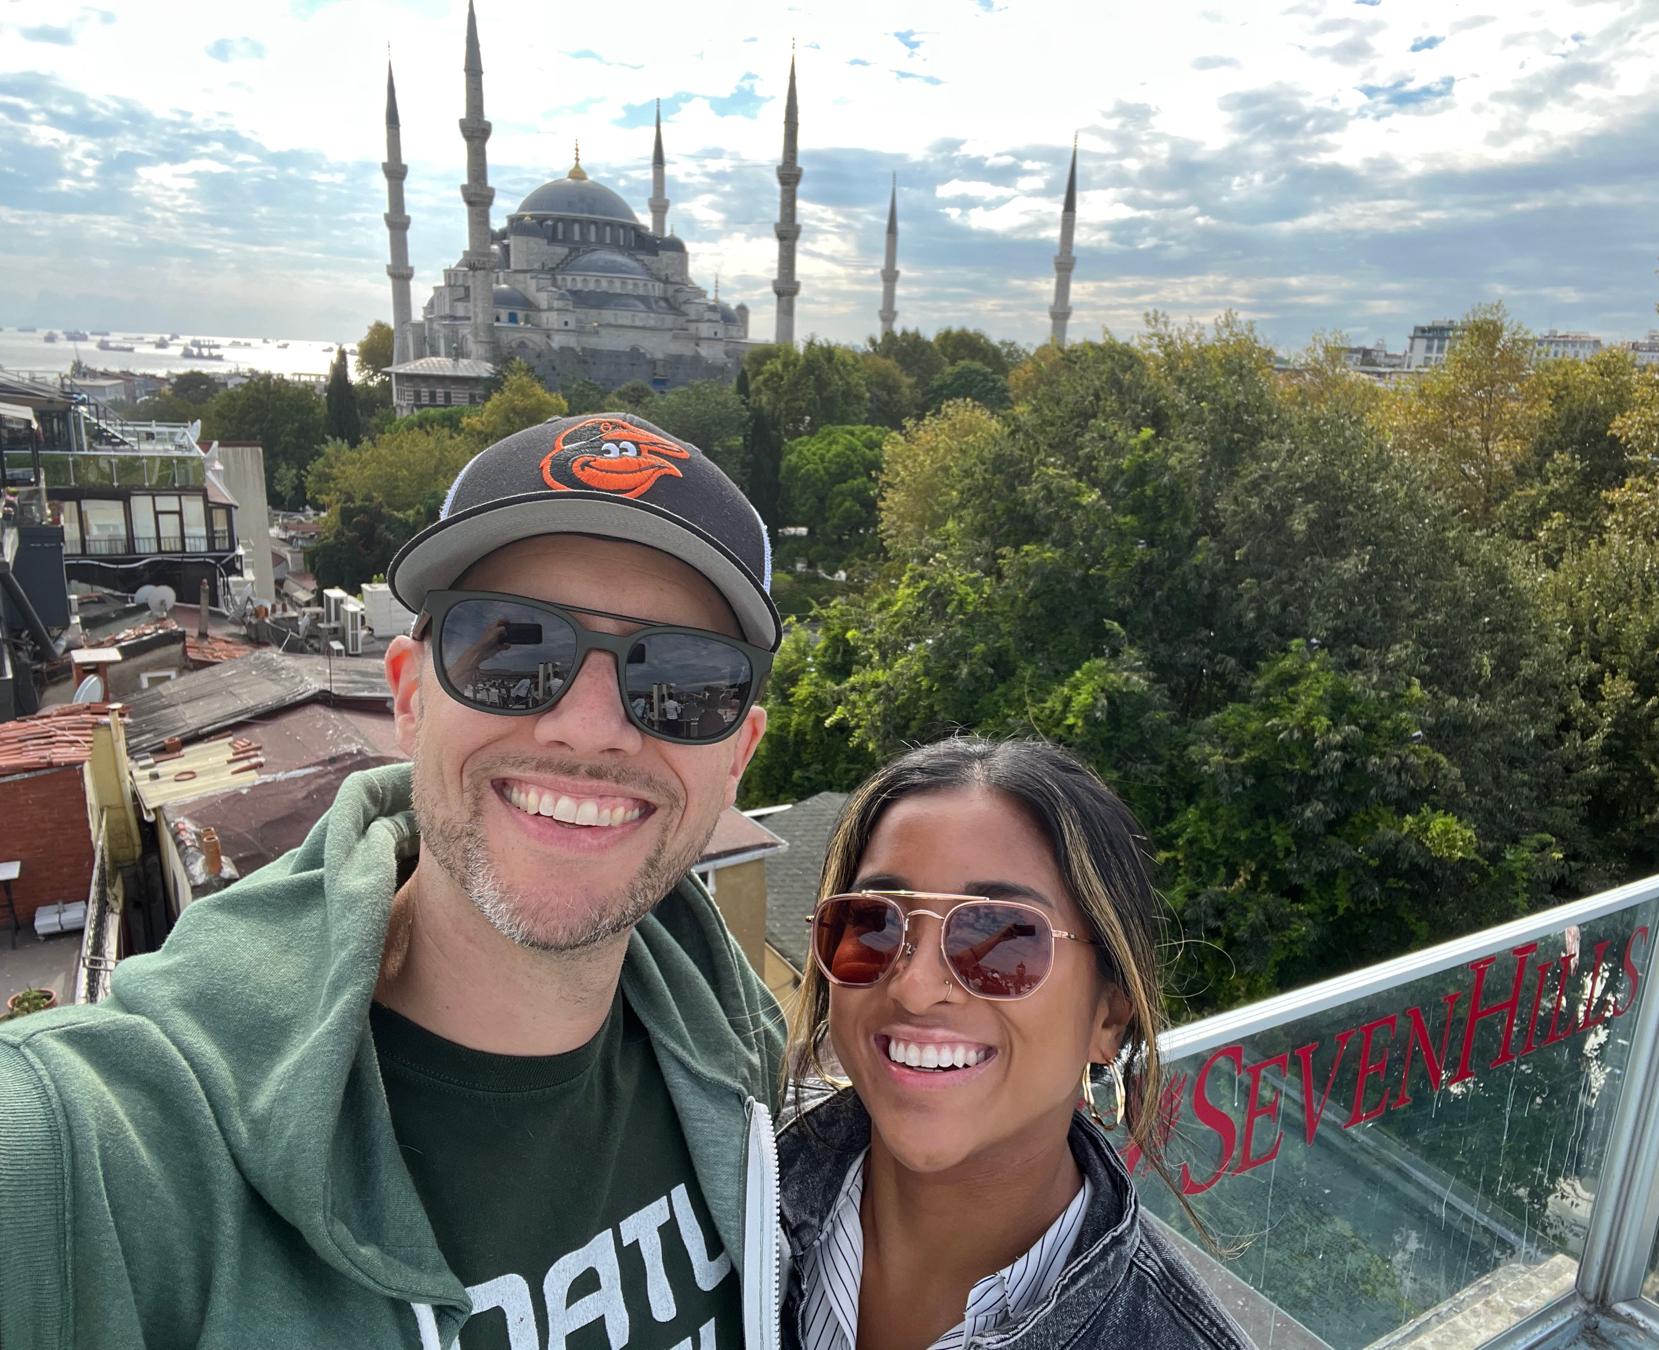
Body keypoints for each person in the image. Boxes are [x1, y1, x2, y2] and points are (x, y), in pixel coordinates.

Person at [0, 413, 790, 1350]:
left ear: (737, 757)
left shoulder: (734, 1042)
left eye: (684, 680)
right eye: (513, 649)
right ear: (411, 698)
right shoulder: (114, 1141)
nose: (589, 727)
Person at [779, 736, 1252, 1350]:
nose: (918, 988)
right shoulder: (720, 1199)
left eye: (1003, 939)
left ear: (1108, 1017)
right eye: (873, 924)